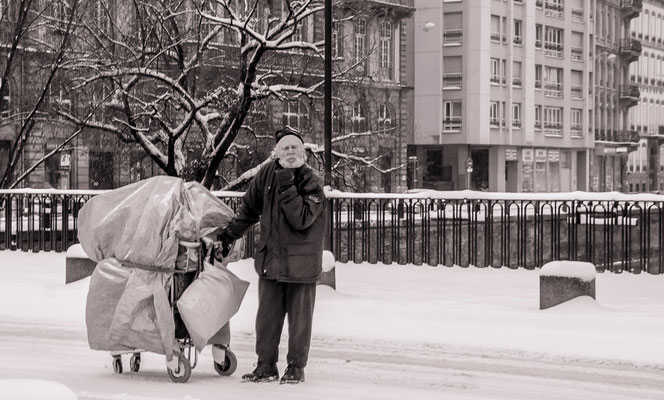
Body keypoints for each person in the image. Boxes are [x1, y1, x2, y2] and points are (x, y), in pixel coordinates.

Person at [218, 127, 326, 385]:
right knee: (267, 318)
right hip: (271, 261)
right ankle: (265, 366)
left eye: (295, 148)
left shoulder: (312, 181)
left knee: (300, 321)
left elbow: (301, 219)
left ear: (303, 153)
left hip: (302, 264)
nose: (290, 152)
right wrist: (228, 237)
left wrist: (287, 183)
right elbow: (249, 209)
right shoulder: (266, 173)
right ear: (276, 153)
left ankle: (296, 368)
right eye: (285, 148)